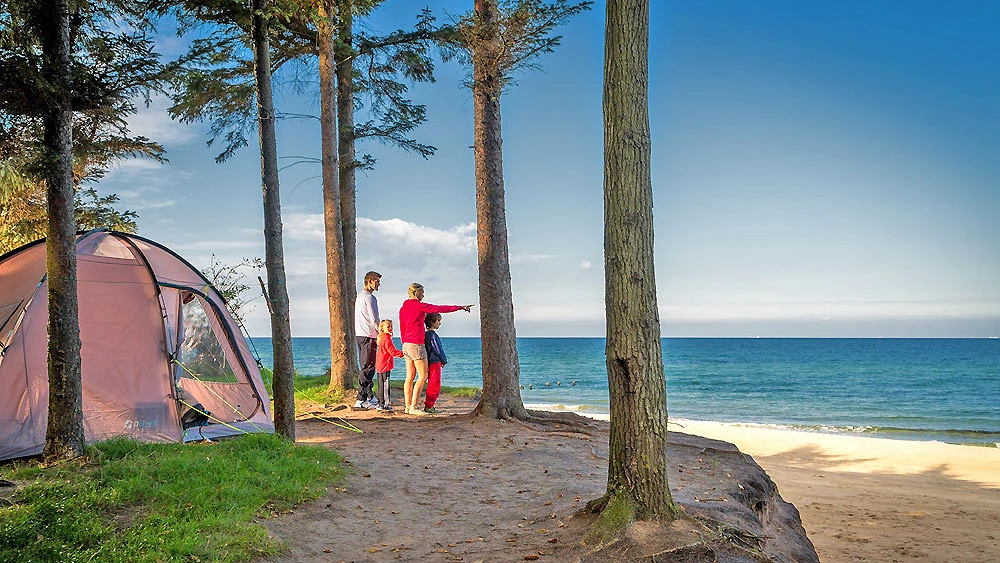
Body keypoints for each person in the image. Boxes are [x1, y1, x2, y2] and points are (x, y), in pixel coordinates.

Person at [398, 283, 472, 415]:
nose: (423, 295)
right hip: (416, 344)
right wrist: (459, 307)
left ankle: (407, 406)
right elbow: (440, 308)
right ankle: (414, 407)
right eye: (422, 292)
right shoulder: (419, 306)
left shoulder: (403, 308)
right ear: (416, 293)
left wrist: (404, 343)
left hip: (406, 344)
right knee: (423, 375)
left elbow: (402, 327)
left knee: (410, 376)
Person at [354, 271, 381, 409]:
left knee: (366, 365)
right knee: (368, 367)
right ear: (369, 281)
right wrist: (382, 332)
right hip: (369, 336)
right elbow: (374, 318)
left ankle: (370, 396)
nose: (379, 284)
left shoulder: (360, 297)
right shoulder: (370, 298)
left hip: (360, 334)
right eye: (377, 281)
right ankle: (361, 399)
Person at [374, 319, 404, 412]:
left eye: (391, 326)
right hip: (384, 365)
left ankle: (380, 403)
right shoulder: (386, 338)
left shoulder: (382, 338)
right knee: (384, 385)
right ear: (382, 328)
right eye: (388, 327)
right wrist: (402, 353)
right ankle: (383, 404)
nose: (390, 328)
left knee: (381, 384)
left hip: (381, 364)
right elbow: (392, 351)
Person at [423, 313, 448, 414]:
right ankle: (429, 405)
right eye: (437, 321)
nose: (439, 323)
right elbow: (437, 349)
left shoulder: (426, 334)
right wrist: (444, 360)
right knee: (434, 384)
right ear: (432, 322)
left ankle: (429, 405)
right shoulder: (432, 335)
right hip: (434, 361)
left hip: (430, 361)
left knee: (432, 383)